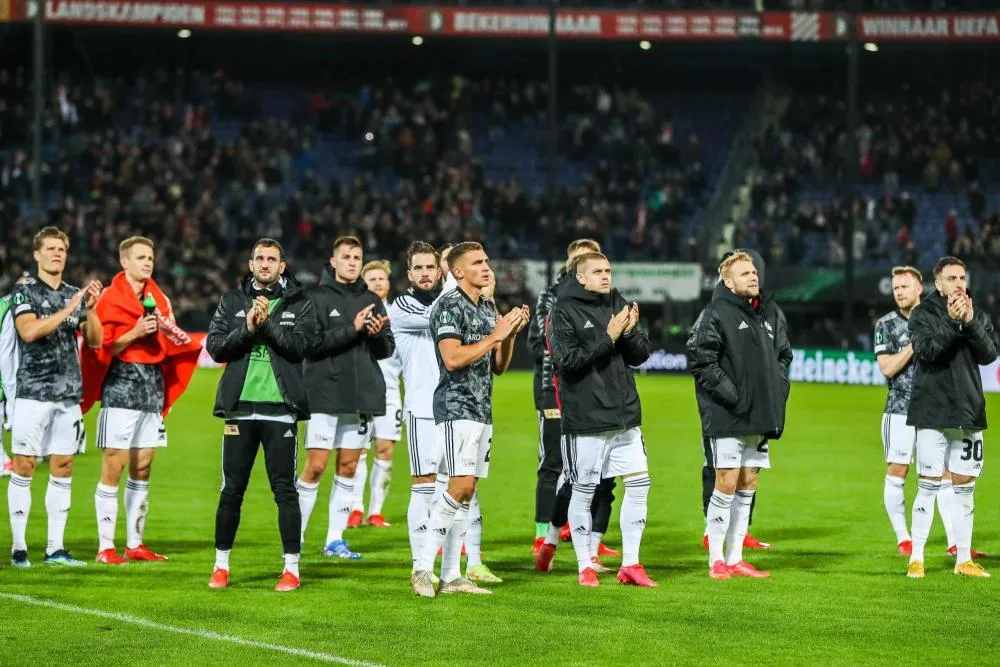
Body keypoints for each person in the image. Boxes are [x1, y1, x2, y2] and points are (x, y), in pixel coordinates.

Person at [410, 242, 529, 597]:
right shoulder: (448, 307)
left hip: (482, 411)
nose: (487, 267)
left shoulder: (486, 307)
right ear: (458, 271)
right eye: (478, 262)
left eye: (487, 261)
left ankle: (451, 577)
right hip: (455, 408)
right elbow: (451, 358)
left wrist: (509, 337)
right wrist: (496, 335)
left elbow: (499, 366)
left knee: (467, 491)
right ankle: (421, 570)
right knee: (458, 486)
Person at [81, 236, 202, 565]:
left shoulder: (158, 298)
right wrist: (134, 333)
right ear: (124, 262)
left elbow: (172, 337)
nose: (148, 262)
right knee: (113, 465)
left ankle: (135, 543)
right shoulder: (109, 299)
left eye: (150, 257)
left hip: (151, 386)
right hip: (121, 384)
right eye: (141, 257)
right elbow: (100, 348)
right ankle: (106, 547)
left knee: (143, 467)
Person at [206, 238, 316, 592]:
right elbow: (216, 348)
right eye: (259, 258)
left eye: (272, 259)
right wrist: (247, 329)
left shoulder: (300, 302)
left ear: (283, 266)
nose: (265, 264)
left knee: (284, 490)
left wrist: (266, 325)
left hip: (281, 410)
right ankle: (220, 566)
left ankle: (291, 569)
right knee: (231, 490)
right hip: (240, 408)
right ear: (251, 264)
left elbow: (300, 348)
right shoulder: (232, 301)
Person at [544, 251, 655, 588]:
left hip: (624, 415)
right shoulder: (562, 311)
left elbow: (640, 355)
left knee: (639, 484)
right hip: (587, 417)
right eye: (598, 271)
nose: (606, 276)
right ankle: (584, 566)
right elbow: (568, 362)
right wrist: (608, 337)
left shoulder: (617, 303)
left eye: (608, 270)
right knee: (584, 488)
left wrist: (630, 332)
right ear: (581, 277)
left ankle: (631, 564)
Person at [687, 251, 790, 580]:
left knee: (749, 482)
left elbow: (782, 358)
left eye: (754, 272)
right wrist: (735, 397)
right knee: (726, 482)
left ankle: (735, 558)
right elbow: (702, 359)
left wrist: (778, 388)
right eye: (745, 273)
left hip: (759, 414)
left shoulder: (765, 313)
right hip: (727, 415)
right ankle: (716, 559)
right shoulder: (716, 312)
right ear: (728, 282)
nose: (753, 277)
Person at [8, 227, 104, 568]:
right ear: (37, 255)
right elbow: (29, 331)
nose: (56, 254)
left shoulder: (72, 294)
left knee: (63, 467)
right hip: (32, 393)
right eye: (50, 249)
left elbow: (94, 341)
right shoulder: (24, 293)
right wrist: (69, 309)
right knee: (25, 465)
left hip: (67, 396)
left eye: (61, 249)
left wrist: (90, 309)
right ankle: (19, 548)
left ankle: (55, 548)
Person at [297, 236, 394, 560]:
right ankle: (294, 537)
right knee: (316, 467)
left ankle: (334, 539)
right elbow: (309, 345)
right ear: (333, 261)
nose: (352, 262)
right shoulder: (315, 297)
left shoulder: (371, 299)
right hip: (324, 395)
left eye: (357, 257)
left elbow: (386, 350)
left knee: (349, 467)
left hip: (359, 398)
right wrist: (352, 329)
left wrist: (378, 333)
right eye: (347, 257)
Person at [529, 239, 619, 570]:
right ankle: (544, 534)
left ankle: (588, 538)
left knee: (600, 471)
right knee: (555, 464)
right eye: (583, 260)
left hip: (598, 394)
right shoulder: (552, 299)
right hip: (557, 388)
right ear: (573, 266)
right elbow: (543, 346)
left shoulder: (606, 300)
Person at [905, 256, 997, 579]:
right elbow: (929, 352)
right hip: (932, 411)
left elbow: (989, 354)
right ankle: (916, 557)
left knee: (965, 488)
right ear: (939, 283)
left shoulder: (977, 315)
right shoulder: (921, 314)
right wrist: (956, 323)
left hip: (968, 412)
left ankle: (963, 559)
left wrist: (970, 322)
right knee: (928, 484)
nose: (959, 283)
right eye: (952, 278)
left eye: (962, 277)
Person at [390, 242, 445, 578]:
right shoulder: (402, 307)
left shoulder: (448, 300)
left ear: (439, 271)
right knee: (424, 486)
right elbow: (441, 321)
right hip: (422, 407)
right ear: (409, 274)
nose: (425, 274)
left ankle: (445, 564)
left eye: (431, 267)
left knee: (451, 487)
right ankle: (419, 565)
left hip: (454, 408)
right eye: (419, 269)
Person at [357, 259, 402, 528]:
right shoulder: (356, 311)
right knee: (358, 450)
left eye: (381, 279)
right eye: (371, 279)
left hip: (390, 390)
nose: (377, 283)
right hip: (360, 388)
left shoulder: (400, 313)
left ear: (388, 283)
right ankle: (355, 507)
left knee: (385, 449)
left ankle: (375, 511)